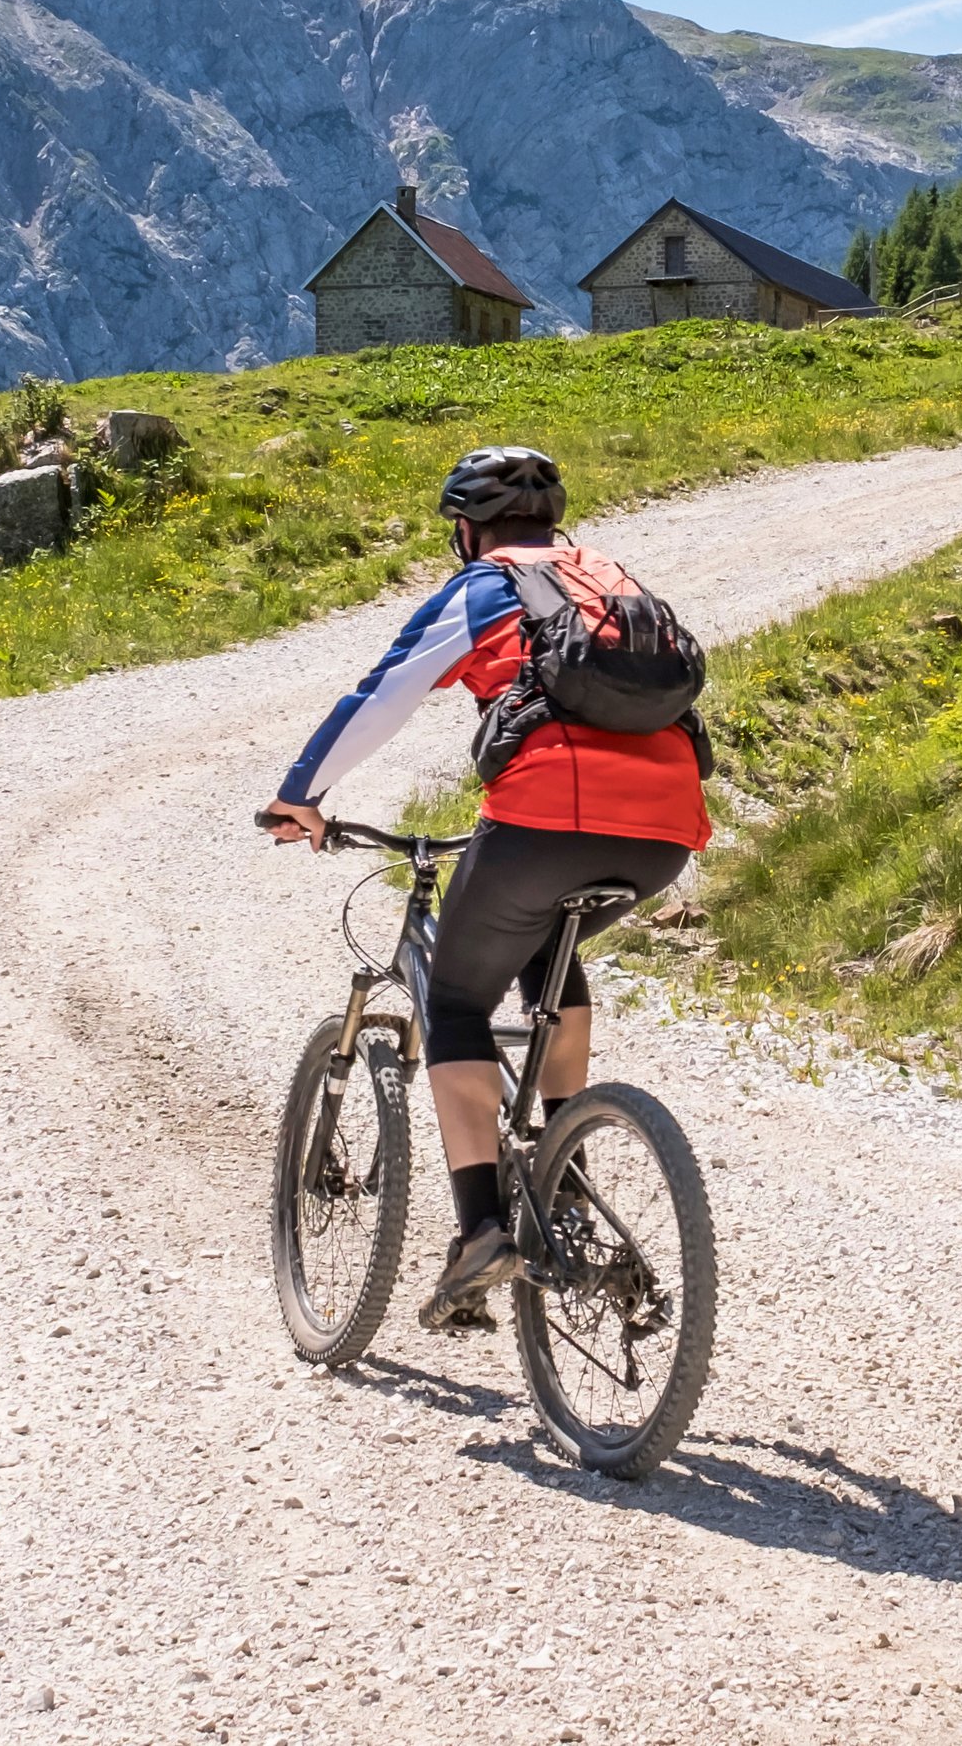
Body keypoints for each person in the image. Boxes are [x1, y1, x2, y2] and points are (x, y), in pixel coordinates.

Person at [259, 446, 705, 1329]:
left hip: (545, 819)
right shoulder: (609, 579)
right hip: (664, 831)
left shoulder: (484, 587)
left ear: (467, 530)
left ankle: (481, 1231)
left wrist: (300, 796)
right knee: (545, 952)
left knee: (457, 1001)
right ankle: (566, 1174)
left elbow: (381, 698)